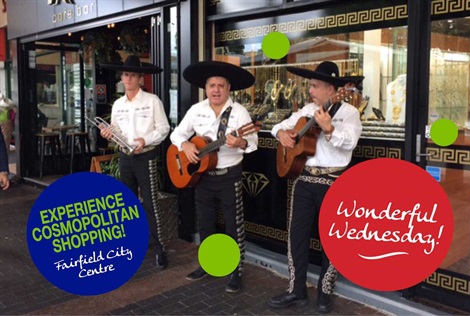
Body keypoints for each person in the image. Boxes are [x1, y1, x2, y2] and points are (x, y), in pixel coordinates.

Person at [268, 61, 363, 313]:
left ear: (333, 89)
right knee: (296, 236)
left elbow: (350, 142)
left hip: (333, 181)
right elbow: (278, 126)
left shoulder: (349, 113)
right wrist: (282, 135)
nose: (310, 90)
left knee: (332, 240)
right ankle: (296, 290)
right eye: (311, 85)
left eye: (315, 86)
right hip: (303, 178)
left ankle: (325, 290)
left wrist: (329, 128)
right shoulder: (308, 109)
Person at [170, 61, 258, 293]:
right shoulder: (196, 110)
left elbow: (253, 143)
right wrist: (186, 144)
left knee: (233, 225)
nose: (216, 90)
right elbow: (176, 134)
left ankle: (235, 271)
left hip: (230, 176)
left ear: (229, 88)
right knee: (205, 223)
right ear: (206, 88)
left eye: (220, 85)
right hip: (203, 177)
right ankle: (208, 264)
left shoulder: (240, 113)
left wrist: (240, 142)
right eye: (211, 85)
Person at [100, 55, 170, 269]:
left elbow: (164, 128)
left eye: (132, 75)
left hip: (145, 156)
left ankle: (159, 249)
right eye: (125, 75)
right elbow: (116, 130)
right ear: (122, 78)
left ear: (140, 78)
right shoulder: (118, 105)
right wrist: (108, 134)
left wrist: (145, 140)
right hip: (124, 157)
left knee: (150, 203)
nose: (128, 79)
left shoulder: (152, 101)